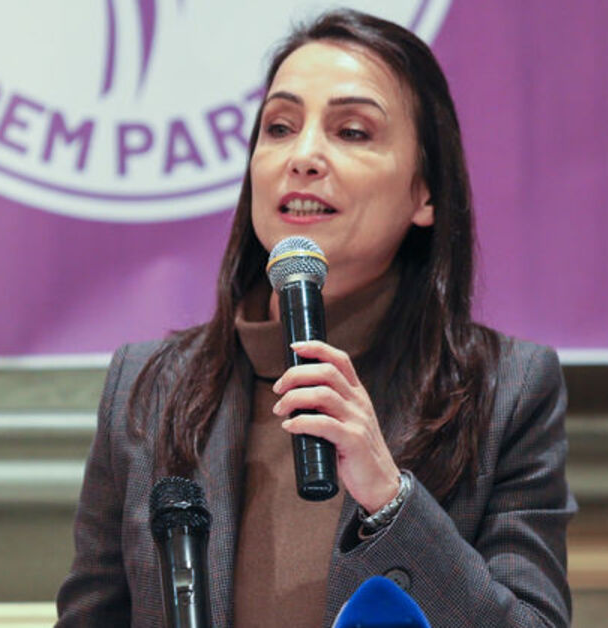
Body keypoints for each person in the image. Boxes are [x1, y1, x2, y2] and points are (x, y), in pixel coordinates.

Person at [56, 9, 575, 627]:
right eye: (279, 127)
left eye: (352, 131)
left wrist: (391, 502)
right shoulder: (147, 387)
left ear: (425, 193)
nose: (302, 156)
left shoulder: (504, 391)